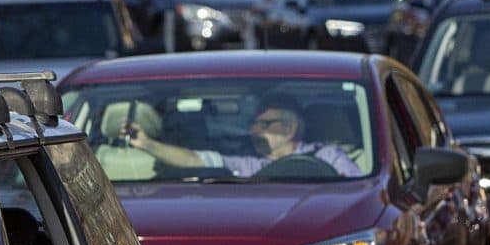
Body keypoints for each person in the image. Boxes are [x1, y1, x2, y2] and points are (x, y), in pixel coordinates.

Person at [125, 92, 363, 178]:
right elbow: (193, 160)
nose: (254, 130)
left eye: (265, 124)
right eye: (254, 123)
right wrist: (147, 143)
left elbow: (355, 190)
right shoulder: (246, 164)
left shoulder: (328, 155)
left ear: (290, 128)